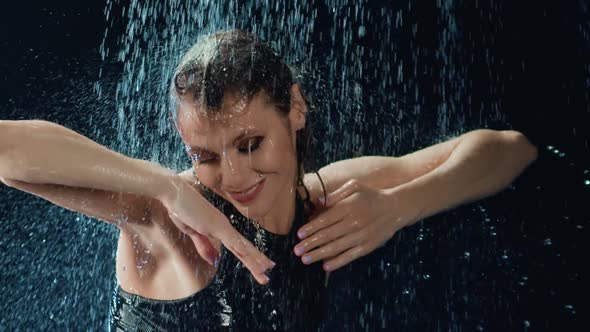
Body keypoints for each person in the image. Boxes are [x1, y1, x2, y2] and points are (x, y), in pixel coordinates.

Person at [0, 29, 538, 331]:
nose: (232, 176)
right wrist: (166, 185)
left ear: (296, 109)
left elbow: (509, 150)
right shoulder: (166, 219)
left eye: (250, 145)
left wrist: (400, 206)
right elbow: (7, 149)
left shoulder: (321, 198)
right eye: (204, 155)